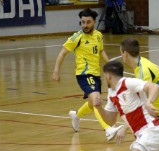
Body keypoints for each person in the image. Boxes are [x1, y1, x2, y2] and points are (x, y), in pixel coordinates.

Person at [52, 8, 123, 140]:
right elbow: (62, 53)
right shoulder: (76, 37)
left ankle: (76, 115)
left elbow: (101, 50)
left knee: (92, 104)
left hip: (96, 75)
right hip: (84, 75)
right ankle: (108, 130)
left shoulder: (98, 35)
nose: (85, 25)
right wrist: (56, 70)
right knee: (96, 100)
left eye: (88, 22)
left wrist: (109, 65)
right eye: (83, 22)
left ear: (94, 22)